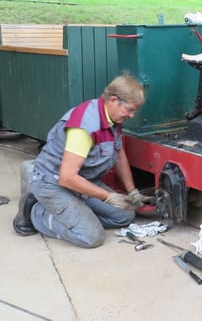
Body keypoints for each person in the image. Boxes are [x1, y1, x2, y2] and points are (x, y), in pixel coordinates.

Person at [13, 73, 154, 248]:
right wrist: (108, 196)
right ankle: (36, 212)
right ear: (113, 100)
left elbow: (119, 156)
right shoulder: (84, 126)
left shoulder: (113, 118)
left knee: (124, 216)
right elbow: (67, 177)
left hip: (83, 181)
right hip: (54, 183)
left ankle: (74, 213)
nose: (132, 115)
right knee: (91, 236)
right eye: (130, 109)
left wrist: (132, 192)